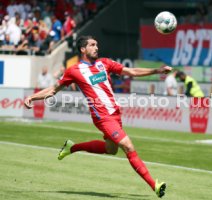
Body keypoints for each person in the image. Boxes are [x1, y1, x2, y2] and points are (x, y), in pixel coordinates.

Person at [24, 35, 170, 198]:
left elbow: (132, 71)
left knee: (111, 150)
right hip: (102, 118)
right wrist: (32, 97)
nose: (96, 47)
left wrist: (157, 70)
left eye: (97, 45)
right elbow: (53, 89)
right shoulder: (74, 70)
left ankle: (72, 147)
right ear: (83, 49)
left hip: (115, 115)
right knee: (128, 146)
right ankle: (154, 185)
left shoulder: (104, 63)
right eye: (92, 45)